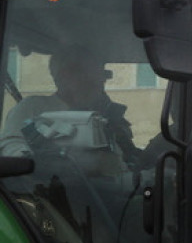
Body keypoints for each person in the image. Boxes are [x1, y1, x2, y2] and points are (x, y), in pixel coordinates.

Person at [1, 52, 138, 162]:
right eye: (84, 75)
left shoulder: (106, 116)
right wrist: (39, 163)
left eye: (100, 75)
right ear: (61, 77)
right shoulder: (34, 107)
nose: (97, 81)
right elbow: (11, 144)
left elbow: (123, 160)